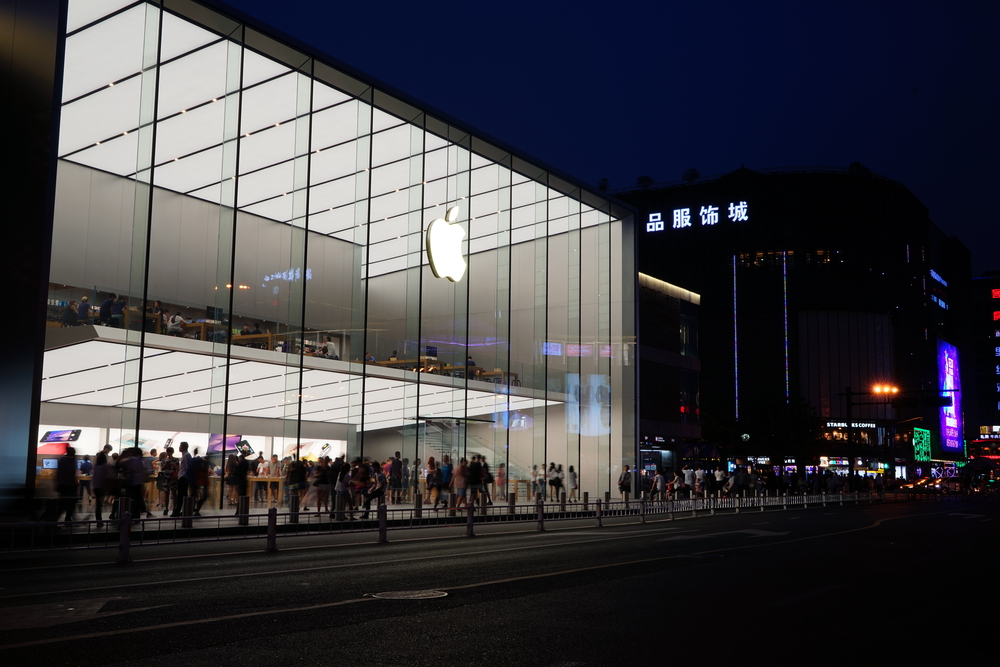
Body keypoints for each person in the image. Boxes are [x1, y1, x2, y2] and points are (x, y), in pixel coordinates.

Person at [55, 446, 78, 526]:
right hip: (69, 486)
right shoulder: (71, 460)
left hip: (62, 485)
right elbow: (71, 474)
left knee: (62, 504)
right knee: (69, 504)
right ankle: (67, 520)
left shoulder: (62, 459)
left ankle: (54, 522)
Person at [170, 442, 192, 517]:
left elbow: (188, 466)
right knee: (183, 494)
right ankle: (184, 510)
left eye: (180, 446)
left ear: (184, 447)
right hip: (183, 476)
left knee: (180, 495)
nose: (179, 447)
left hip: (183, 477)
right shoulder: (185, 455)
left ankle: (178, 511)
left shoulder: (186, 455)